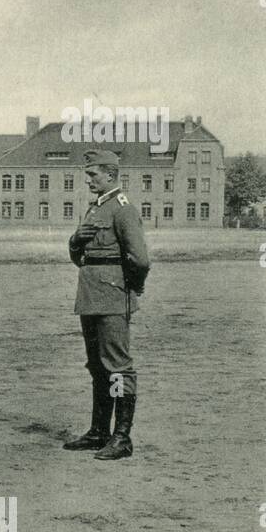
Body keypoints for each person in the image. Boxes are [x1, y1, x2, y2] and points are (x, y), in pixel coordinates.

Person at [64, 149, 151, 460]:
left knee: (117, 367)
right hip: (89, 296)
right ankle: (99, 431)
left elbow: (140, 258)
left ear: (111, 175)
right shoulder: (95, 208)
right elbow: (81, 257)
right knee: (97, 367)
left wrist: (134, 287)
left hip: (114, 296)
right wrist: (74, 241)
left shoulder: (123, 208)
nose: (88, 179)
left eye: (93, 174)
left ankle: (122, 438)